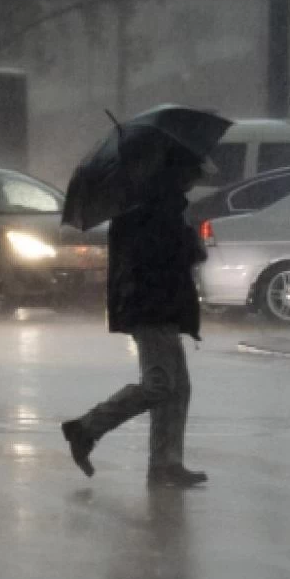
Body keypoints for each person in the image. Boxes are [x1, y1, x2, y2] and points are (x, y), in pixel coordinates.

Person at [61, 152, 209, 488]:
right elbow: (160, 259)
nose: (194, 181)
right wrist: (190, 246)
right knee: (160, 385)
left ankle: (166, 463)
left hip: (161, 307)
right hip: (151, 307)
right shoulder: (152, 210)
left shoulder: (158, 206)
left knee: (178, 388)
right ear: (177, 174)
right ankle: (86, 428)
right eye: (192, 173)